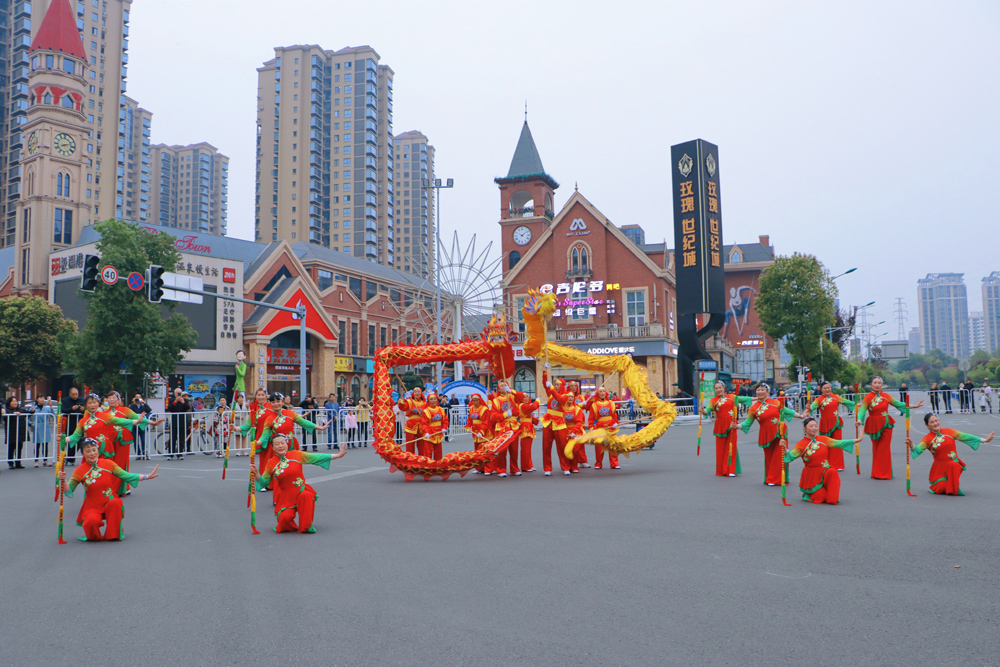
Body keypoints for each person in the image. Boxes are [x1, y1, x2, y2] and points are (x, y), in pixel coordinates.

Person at [58, 438, 160, 541]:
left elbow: (126, 475)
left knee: (115, 503)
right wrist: (63, 481)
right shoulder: (79, 470)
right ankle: (94, 535)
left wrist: (147, 476)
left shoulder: (108, 464)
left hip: (109, 501)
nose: (92, 453)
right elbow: (69, 490)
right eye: (88, 451)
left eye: (94, 450)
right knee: (90, 523)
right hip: (92, 505)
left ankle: (113, 534)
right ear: (83, 454)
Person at [250, 434, 347, 533]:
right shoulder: (271, 463)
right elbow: (264, 482)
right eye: (277, 444)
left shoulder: (296, 454)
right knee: (285, 521)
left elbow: (317, 457)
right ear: (272, 447)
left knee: (306, 495)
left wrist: (337, 456)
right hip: (285, 497)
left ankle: (306, 525)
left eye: (282, 443)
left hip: (301, 491)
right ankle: (289, 522)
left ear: (286, 444)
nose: (280, 446)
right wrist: (256, 473)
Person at [906, 413, 994, 496]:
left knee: (953, 465)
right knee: (941, 488)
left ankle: (953, 487)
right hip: (939, 468)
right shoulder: (927, 439)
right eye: (932, 422)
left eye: (936, 420)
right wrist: (911, 445)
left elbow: (966, 436)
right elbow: (918, 450)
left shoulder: (949, 431)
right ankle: (944, 484)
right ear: (927, 425)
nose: (935, 423)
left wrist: (985, 440)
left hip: (953, 464)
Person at [783, 418, 864, 505]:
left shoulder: (823, 439)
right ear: (805, 428)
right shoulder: (801, 445)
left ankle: (831, 496)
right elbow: (790, 458)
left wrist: (857, 440)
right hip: (812, 475)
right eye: (811, 426)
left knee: (833, 473)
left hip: (826, 472)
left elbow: (839, 443)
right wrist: (784, 449)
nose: (814, 428)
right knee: (821, 497)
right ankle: (810, 493)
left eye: (816, 426)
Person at [857, 376, 921, 480]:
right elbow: (863, 410)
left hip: (886, 425)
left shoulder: (886, 396)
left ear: (882, 385)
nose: (877, 384)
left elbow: (898, 404)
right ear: (871, 385)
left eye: (879, 383)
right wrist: (859, 420)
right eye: (875, 383)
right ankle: (876, 472)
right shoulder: (868, 397)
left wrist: (913, 406)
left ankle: (883, 473)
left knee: (884, 449)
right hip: (873, 425)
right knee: (876, 449)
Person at [740, 382, 800, 486]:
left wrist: (801, 416)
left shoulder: (775, 402)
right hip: (765, 434)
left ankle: (773, 479)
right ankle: (771, 477)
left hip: (779, 432)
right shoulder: (753, 408)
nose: (760, 392)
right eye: (758, 390)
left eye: (763, 389)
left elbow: (787, 411)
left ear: (767, 391)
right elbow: (747, 423)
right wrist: (737, 426)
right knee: (769, 457)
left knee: (779, 455)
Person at [64, 394, 144, 466]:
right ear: (86, 405)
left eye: (94, 402)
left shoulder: (105, 416)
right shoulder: (83, 421)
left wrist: (137, 421)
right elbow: (76, 436)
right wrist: (64, 439)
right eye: (90, 403)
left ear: (98, 403)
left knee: (106, 475)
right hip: (91, 451)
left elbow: (121, 421)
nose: (92, 405)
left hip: (105, 451)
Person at [105, 390, 156, 495]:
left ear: (119, 400)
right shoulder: (104, 413)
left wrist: (152, 422)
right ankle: (114, 487)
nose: (111, 400)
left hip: (122, 440)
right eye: (109, 398)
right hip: (108, 441)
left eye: (114, 397)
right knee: (109, 464)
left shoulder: (125, 410)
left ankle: (118, 489)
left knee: (120, 464)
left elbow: (138, 418)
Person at [702, 381, 752, 477]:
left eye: (720, 387)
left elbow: (744, 399)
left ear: (724, 388)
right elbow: (707, 410)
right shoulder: (713, 400)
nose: (718, 390)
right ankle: (722, 470)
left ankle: (731, 469)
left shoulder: (731, 397)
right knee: (720, 448)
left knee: (731, 447)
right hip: (720, 425)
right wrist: (703, 410)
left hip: (731, 424)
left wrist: (760, 398)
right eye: (716, 388)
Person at [256, 392, 329, 454]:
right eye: (273, 402)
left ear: (282, 402)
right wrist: (258, 442)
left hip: (290, 446)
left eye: (278, 401)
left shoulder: (290, 413)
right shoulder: (269, 419)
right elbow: (264, 436)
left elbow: (304, 422)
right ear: (270, 403)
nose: (276, 404)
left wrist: (321, 427)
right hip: (278, 449)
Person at [809, 381, 856, 471]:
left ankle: (837, 465)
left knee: (837, 443)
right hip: (825, 424)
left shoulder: (836, 397)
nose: (827, 389)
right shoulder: (819, 399)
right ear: (821, 389)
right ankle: (826, 463)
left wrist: (859, 405)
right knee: (825, 444)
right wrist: (809, 408)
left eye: (829, 388)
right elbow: (813, 407)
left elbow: (847, 402)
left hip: (836, 423)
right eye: (825, 388)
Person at [540, 365, 573, 477]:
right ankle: (547, 468)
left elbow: (559, 399)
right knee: (546, 446)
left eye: (558, 384)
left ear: (562, 386)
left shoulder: (566, 396)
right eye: (555, 384)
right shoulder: (550, 393)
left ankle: (565, 467)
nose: (556, 386)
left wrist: (552, 388)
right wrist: (545, 371)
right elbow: (545, 384)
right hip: (548, 421)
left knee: (562, 446)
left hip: (559, 422)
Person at [489, 382, 521, 476]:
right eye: (501, 386)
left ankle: (514, 468)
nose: (504, 387)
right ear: (498, 390)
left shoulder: (512, 396)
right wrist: (505, 414)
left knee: (514, 449)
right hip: (502, 426)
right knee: (502, 449)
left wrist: (511, 391)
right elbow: (494, 415)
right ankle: (501, 469)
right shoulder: (496, 401)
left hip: (513, 425)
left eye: (505, 385)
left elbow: (521, 396)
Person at [240, 388, 271, 474]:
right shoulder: (254, 409)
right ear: (256, 396)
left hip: (272, 437)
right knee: (263, 460)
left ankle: (274, 483)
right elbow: (247, 425)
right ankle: (263, 482)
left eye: (262, 395)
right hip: (260, 438)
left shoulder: (271, 406)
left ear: (266, 396)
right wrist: (235, 428)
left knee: (272, 460)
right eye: (258, 395)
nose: (260, 397)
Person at [466, 393, 492, 474]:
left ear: (480, 400)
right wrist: (468, 426)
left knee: (485, 451)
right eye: (473, 400)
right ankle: (479, 468)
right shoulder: (471, 408)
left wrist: (481, 431)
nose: (475, 402)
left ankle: (488, 469)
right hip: (475, 432)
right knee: (477, 451)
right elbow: (469, 419)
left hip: (484, 433)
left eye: (476, 400)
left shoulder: (485, 409)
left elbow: (486, 422)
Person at [397, 387, 427, 456]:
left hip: (422, 425)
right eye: (415, 391)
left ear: (421, 393)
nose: (417, 393)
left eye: (418, 391)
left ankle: (422, 459)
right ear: (413, 393)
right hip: (411, 425)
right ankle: (410, 460)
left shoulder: (424, 403)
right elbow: (402, 407)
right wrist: (405, 399)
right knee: (410, 445)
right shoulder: (409, 401)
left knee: (422, 444)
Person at [515, 391, 540, 473]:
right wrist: (537, 401)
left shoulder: (526, 406)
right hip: (525, 427)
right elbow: (533, 407)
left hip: (528, 426)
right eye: (524, 397)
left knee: (528, 448)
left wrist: (536, 419)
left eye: (527, 397)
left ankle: (529, 465)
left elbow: (531, 418)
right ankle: (525, 466)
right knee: (525, 448)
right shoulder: (522, 406)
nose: (526, 398)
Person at [420, 393, 449, 461]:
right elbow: (424, 423)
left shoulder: (441, 409)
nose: (433, 401)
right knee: (428, 452)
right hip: (430, 433)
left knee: (438, 452)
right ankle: (428, 467)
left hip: (439, 432)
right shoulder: (426, 411)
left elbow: (445, 420)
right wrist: (426, 432)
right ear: (428, 401)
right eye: (431, 399)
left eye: (435, 399)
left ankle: (438, 467)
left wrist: (444, 427)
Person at [60, 387, 86, 464]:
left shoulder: (82, 400)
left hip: (79, 424)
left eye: (76, 394)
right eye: (73, 394)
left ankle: (71, 457)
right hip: (69, 424)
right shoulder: (65, 400)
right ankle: (67, 457)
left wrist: (83, 410)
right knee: (69, 440)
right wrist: (71, 409)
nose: (75, 396)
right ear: (70, 394)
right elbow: (63, 410)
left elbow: (86, 410)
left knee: (79, 441)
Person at [166, 387, 192, 460]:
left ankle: (180, 453)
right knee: (172, 438)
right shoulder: (171, 400)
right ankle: (170, 454)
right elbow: (170, 408)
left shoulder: (185, 400)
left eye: (180, 393)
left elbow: (187, 408)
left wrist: (182, 401)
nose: (178, 395)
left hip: (182, 421)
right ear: (174, 394)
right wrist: (175, 401)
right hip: (174, 421)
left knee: (181, 438)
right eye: (177, 393)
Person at [4, 396, 29, 469]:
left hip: (20, 431)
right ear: (9, 403)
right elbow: (5, 417)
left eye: (16, 401)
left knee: (19, 447)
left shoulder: (20, 409)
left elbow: (28, 412)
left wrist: (32, 410)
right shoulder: (7, 410)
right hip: (11, 431)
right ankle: (11, 463)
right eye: (13, 401)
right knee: (11, 447)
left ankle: (18, 462)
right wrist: (13, 413)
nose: (15, 403)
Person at [128, 394, 154, 460]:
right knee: (135, 441)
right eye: (136, 398)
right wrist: (133, 402)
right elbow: (128, 411)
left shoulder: (143, 406)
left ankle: (144, 453)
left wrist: (144, 403)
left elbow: (149, 410)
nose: (138, 399)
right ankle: (138, 454)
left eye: (139, 398)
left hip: (142, 426)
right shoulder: (132, 406)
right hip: (134, 426)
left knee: (143, 440)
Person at [32, 396, 55, 467]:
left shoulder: (47, 408)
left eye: (43, 398)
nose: (42, 399)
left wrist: (50, 405)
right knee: (37, 444)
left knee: (45, 444)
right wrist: (31, 424)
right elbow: (27, 416)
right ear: (37, 399)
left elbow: (53, 415)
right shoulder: (33, 407)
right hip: (37, 427)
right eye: (40, 398)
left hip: (45, 427)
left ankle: (45, 460)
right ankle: (36, 460)